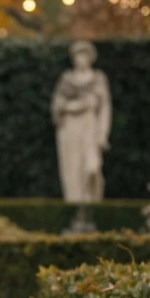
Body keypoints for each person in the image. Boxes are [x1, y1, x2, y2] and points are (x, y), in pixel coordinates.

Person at [50, 40, 111, 233]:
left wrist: (102, 134)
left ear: (90, 58)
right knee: (72, 172)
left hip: (90, 127)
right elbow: (57, 106)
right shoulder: (66, 79)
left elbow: (105, 109)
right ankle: (78, 216)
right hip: (70, 128)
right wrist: (75, 106)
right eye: (78, 55)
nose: (81, 59)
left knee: (92, 169)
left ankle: (91, 209)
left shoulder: (98, 79)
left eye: (84, 55)